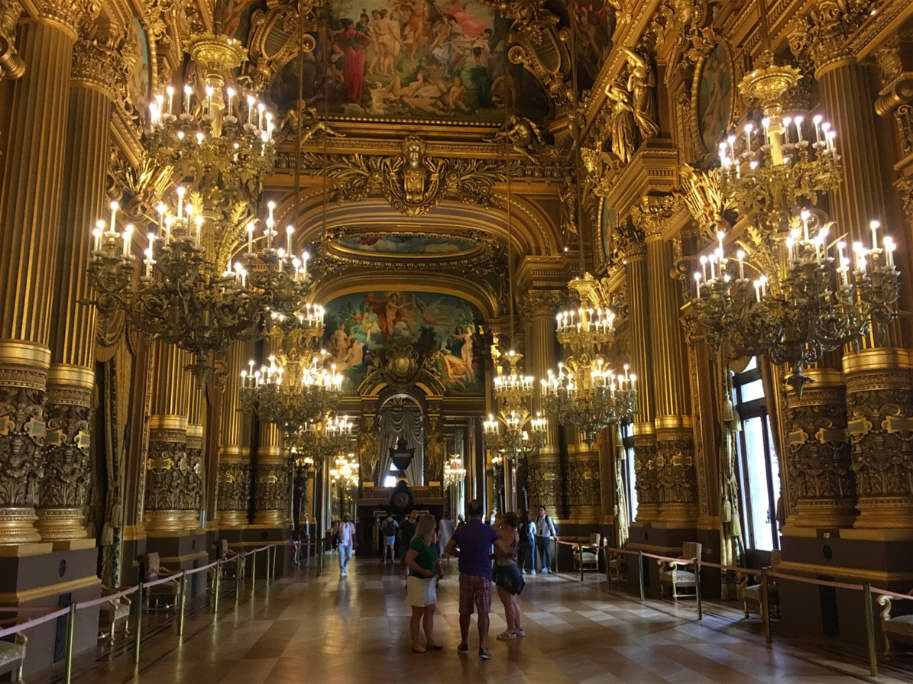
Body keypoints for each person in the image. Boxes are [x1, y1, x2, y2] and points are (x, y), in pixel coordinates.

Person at [446, 499, 499, 661]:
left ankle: (464, 642)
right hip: (483, 574)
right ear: (482, 513)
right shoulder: (487, 530)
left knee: (465, 611)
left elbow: (448, 548)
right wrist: (492, 556)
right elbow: (501, 548)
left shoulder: (462, 529)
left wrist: (461, 554)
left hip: (466, 574)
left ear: (468, 513)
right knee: (483, 612)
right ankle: (483, 646)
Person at [405, 514, 444, 653]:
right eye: (434, 526)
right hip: (417, 581)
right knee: (418, 612)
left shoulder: (432, 541)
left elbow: (435, 559)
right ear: (428, 526)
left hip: (430, 581)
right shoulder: (418, 542)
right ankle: (415, 642)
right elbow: (408, 560)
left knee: (430, 609)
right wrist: (422, 571)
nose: (435, 528)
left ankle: (430, 640)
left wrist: (439, 570)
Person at [493, 512, 525, 640]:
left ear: (506, 521)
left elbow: (490, 529)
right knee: (513, 601)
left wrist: (499, 522)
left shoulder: (503, 533)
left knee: (507, 603)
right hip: (513, 568)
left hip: (505, 569)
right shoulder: (515, 534)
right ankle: (518, 628)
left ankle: (510, 629)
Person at [535, 506, 558, 574]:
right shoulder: (537, 518)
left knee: (547, 553)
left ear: (544, 511)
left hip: (545, 537)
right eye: (539, 510)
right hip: (539, 537)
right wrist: (536, 536)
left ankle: (549, 567)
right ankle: (543, 567)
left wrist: (554, 535)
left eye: (541, 510)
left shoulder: (547, 518)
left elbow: (551, 527)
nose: (540, 512)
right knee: (541, 553)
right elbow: (536, 528)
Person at [517, 510, 537, 575]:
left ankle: (530, 569)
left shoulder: (522, 523)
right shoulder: (531, 523)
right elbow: (534, 532)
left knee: (528, 555)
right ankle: (529, 569)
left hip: (526, 540)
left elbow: (519, 532)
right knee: (525, 555)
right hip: (527, 540)